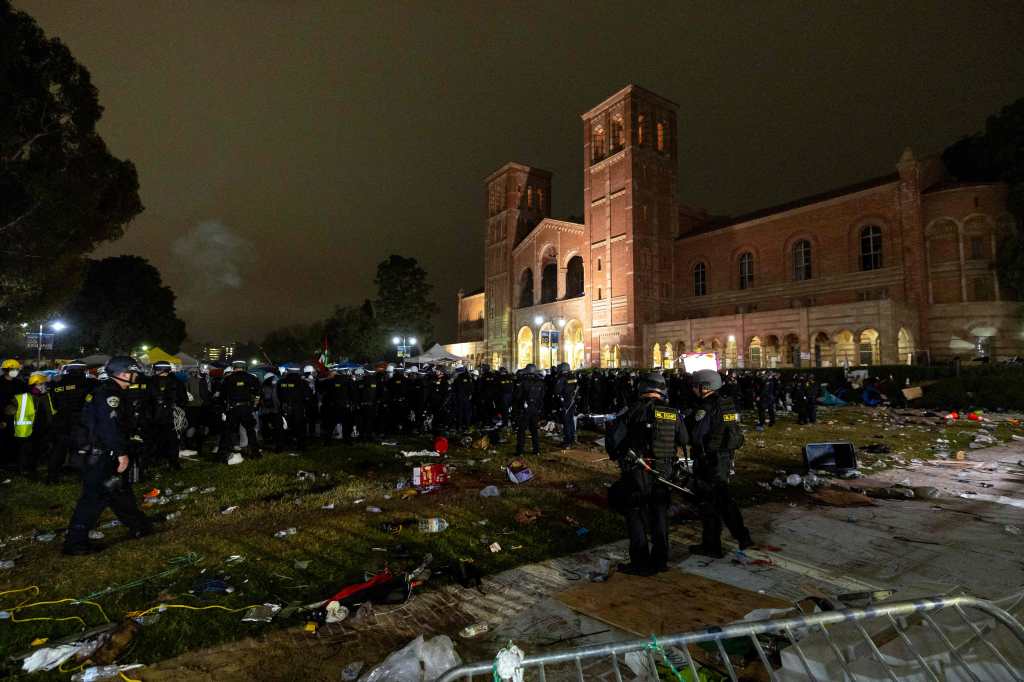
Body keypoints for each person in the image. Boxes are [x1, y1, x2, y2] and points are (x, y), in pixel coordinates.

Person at [63, 356, 153, 556]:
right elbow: (108, 428)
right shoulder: (110, 395)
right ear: (122, 374)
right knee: (94, 499)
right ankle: (75, 543)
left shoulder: (110, 391)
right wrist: (120, 454)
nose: (136, 376)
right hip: (102, 455)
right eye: (133, 372)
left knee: (120, 492)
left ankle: (139, 526)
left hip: (103, 453)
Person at [606, 371, 688, 575]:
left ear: (642, 388)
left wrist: (619, 455)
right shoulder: (672, 412)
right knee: (659, 514)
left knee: (635, 513)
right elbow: (685, 439)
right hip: (664, 471)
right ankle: (660, 560)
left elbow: (613, 441)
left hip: (637, 470)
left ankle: (640, 561)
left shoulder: (631, 411)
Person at [686, 369, 752, 559]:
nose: (693, 389)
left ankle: (712, 545)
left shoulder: (706, 407)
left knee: (708, 504)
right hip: (723, 459)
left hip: (709, 460)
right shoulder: (727, 404)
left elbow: (696, 436)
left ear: (704, 387)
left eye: (695, 386)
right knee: (724, 499)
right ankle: (742, 535)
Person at [48, 362, 95, 484]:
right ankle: (82, 477)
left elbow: (53, 402)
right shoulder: (88, 383)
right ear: (82, 371)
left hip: (60, 420)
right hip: (79, 421)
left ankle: (52, 477)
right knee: (81, 449)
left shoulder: (57, 383)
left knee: (58, 449)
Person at [215, 360, 261, 463]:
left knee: (227, 432)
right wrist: (254, 406)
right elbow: (258, 394)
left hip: (232, 409)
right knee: (251, 431)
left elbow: (221, 397)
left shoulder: (227, 379)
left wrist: (223, 410)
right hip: (246, 408)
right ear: (244, 367)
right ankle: (255, 453)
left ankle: (222, 454)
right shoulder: (252, 378)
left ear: (234, 367)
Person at [147, 360, 186, 470]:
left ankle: (157, 461)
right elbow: (184, 400)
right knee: (173, 441)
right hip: (172, 418)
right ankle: (173, 463)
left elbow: (145, 400)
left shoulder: (149, 382)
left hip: (154, 418)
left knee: (156, 440)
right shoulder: (178, 382)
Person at [512, 364, 545, 456]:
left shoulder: (522, 381)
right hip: (535, 408)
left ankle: (520, 451)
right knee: (534, 430)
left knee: (521, 430)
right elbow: (542, 396)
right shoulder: (540, 381)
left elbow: (517, 396)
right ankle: (536, 450)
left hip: (524, 408)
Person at [553, 362, 579, 447]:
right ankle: (572, 439)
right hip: (572, 402)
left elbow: (557, 391)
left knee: (566, 422)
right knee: (571, 421)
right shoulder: (573, 377)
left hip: (565, 403)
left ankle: (567, 442)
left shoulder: (562, 378)